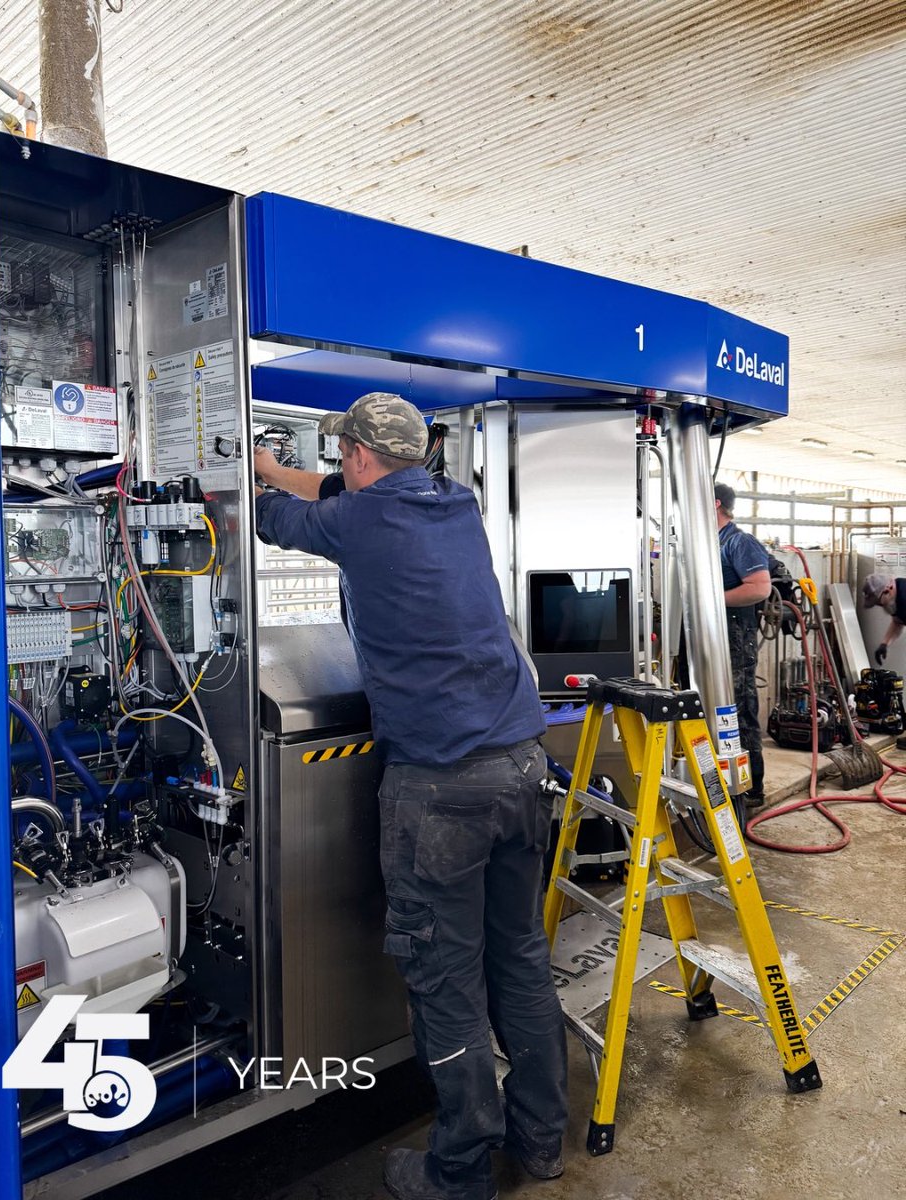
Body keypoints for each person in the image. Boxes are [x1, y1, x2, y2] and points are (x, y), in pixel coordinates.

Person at [254, 393, 567, 1200]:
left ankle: (458, 1173)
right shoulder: (454, 504)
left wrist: (251, 481)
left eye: (344, 456)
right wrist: (282, 468)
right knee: (521, 961)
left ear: (359, 456)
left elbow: (275, 521)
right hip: (522, 768)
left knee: (447, 981)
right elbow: (338, 495)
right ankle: (542, 1141)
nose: (341, 468)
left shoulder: (357, 523)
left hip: (440, 791)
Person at [714, 483, 771, 807]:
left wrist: (712, 599)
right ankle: (724, 782)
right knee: (715, 709)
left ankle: (751, 787)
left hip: (736, 637)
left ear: (715, 503)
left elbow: (760, 587)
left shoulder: (739, 541)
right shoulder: (712, 542)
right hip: (713, 636)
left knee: (739, 710)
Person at [862, 572, 906, 664]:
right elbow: (897, 623)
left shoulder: (904, 597)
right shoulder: (896, 595)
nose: (881, 606)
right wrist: (884, 644)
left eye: (879, 603)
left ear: (888, 590)